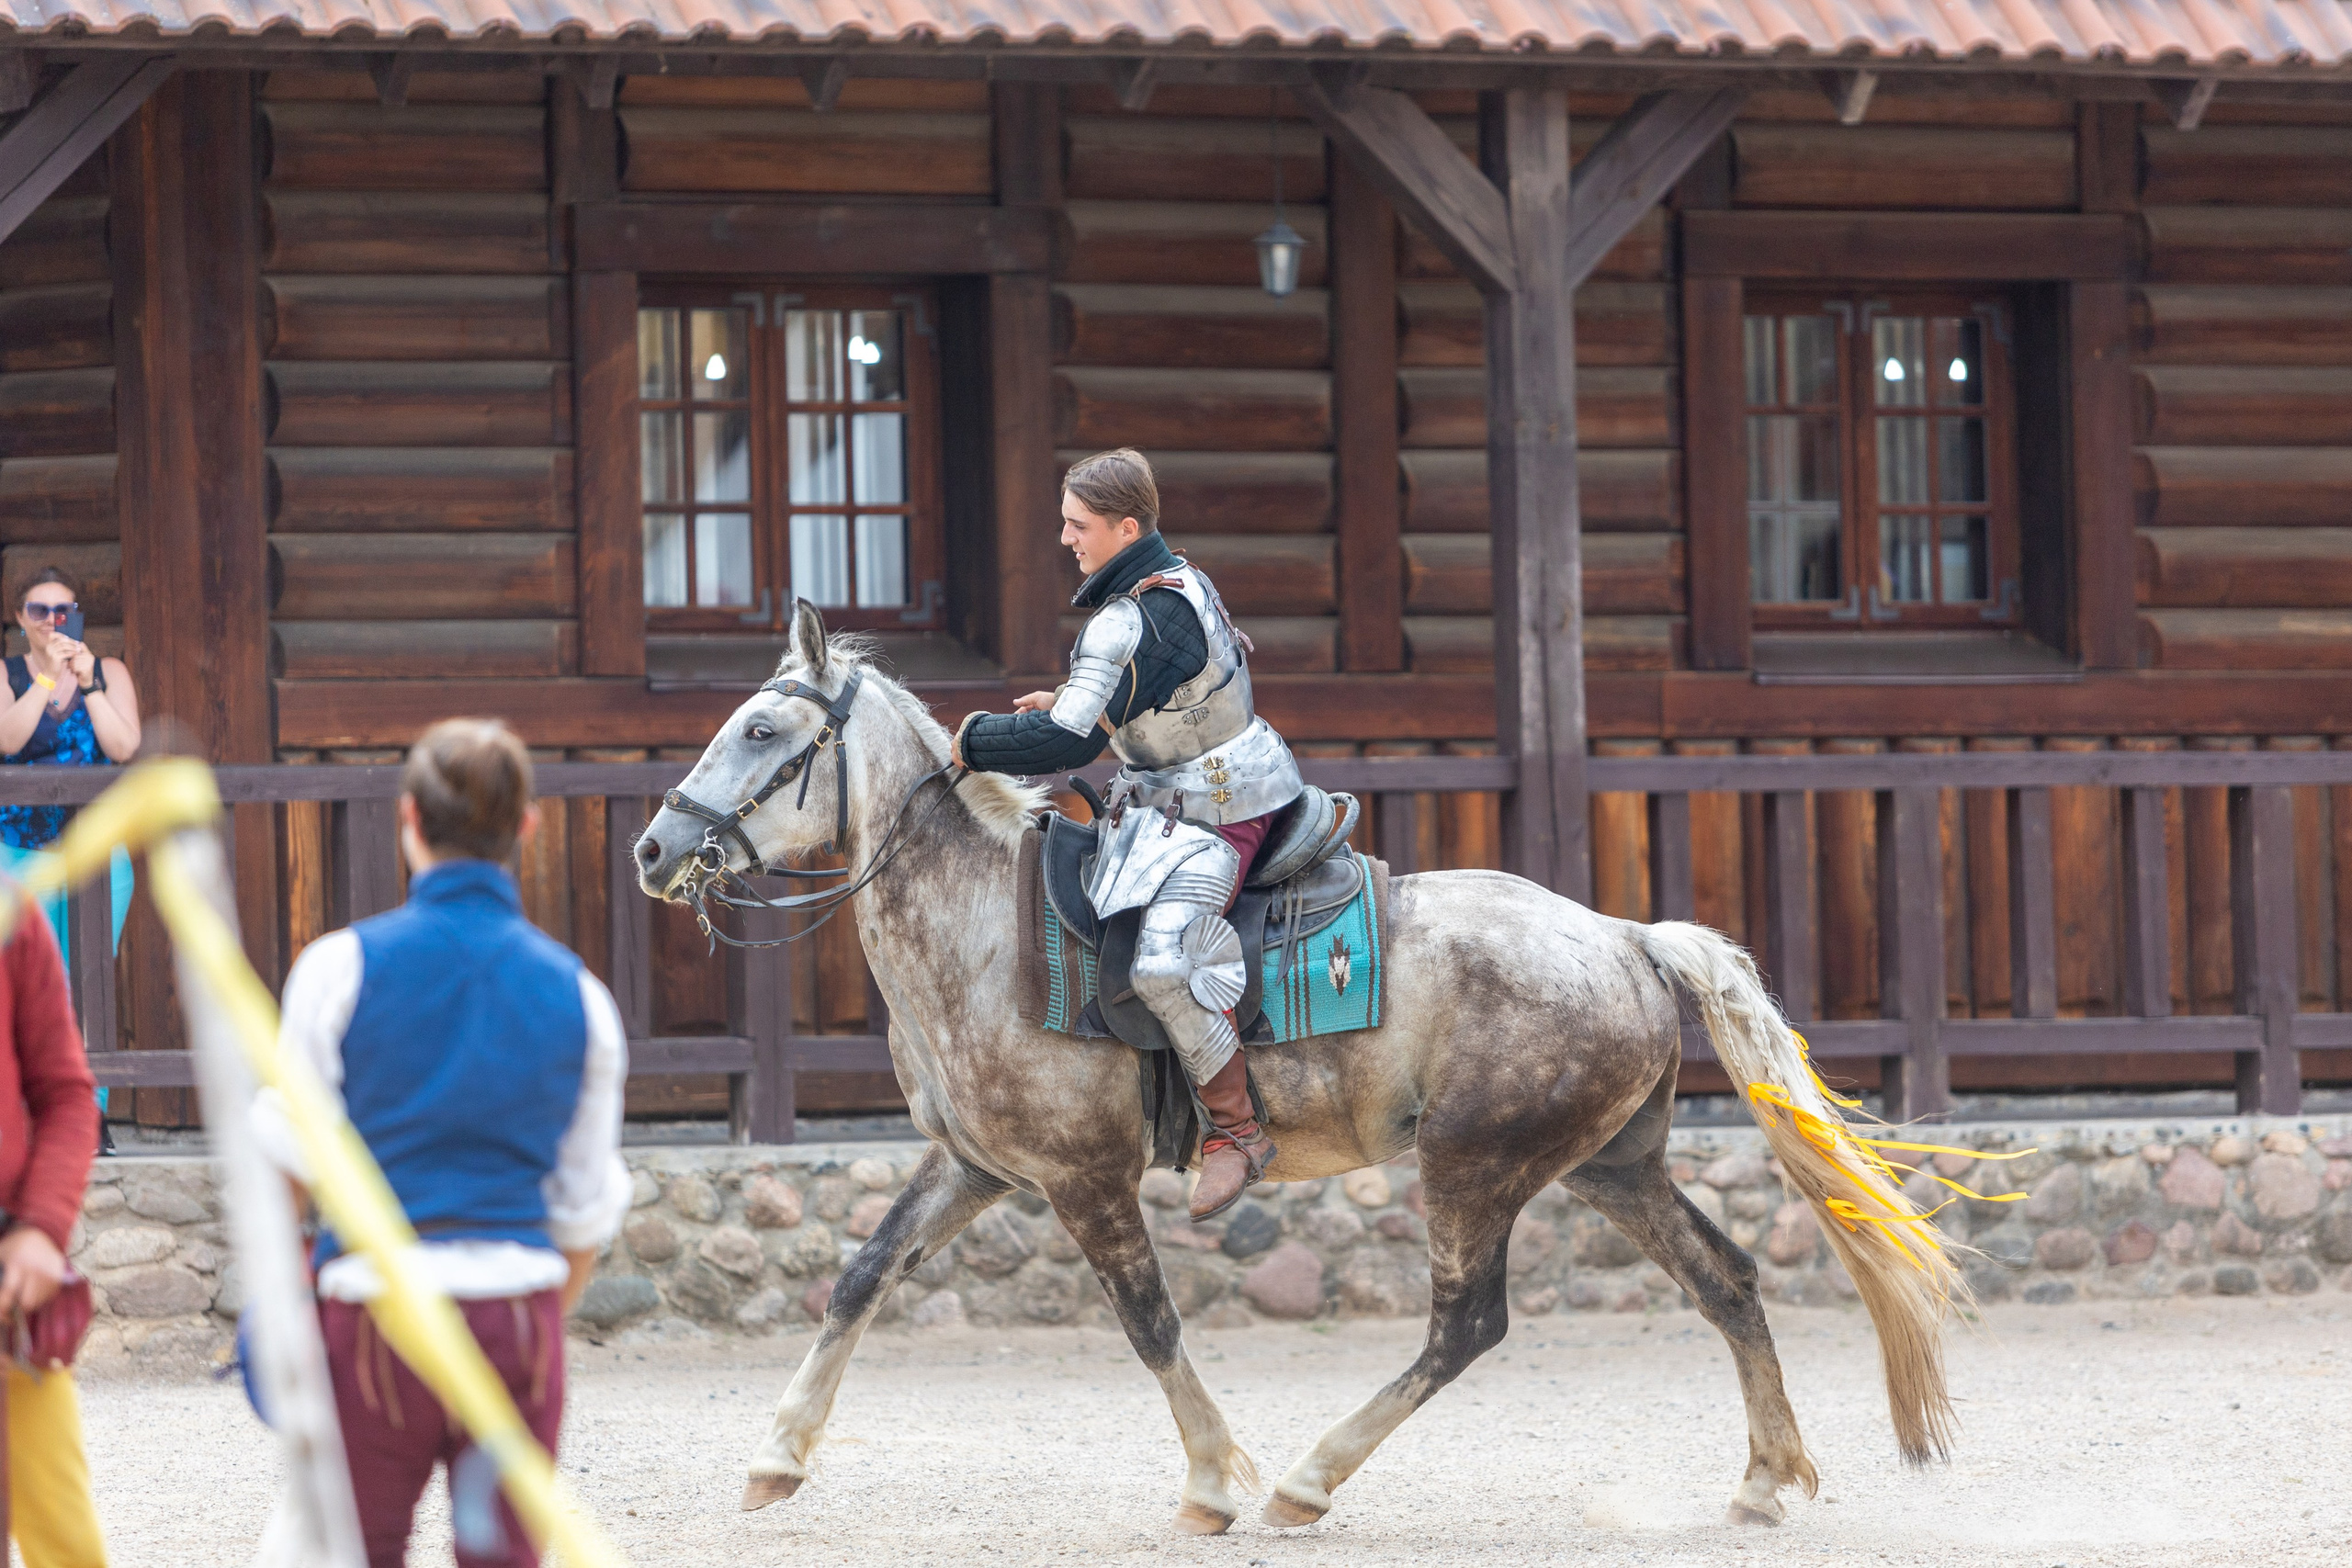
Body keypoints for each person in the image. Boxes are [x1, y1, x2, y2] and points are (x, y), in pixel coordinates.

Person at [254, 718, 629, 1568]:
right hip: (516, 1316)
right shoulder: (582, 996)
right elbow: (582, 1211)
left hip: (375, 1309)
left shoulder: (336, 967)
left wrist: (294, 1311)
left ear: (408, 820)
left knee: (354, 1552)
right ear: (527, 828)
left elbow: (285, 1167)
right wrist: (513, 1314)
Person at [952, 448, 1302, 1221]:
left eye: (1078, 525)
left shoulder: (1128, 618)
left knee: (1164, 965)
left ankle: (1236, 1133)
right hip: (1193, 786)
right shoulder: (1180, 579)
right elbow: (1166, 694)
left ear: (1125, 526)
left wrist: (972, 742)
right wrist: (1098, 711)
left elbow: (1065, 746)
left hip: (1221, 808)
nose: (1066, 538)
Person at [0, 568, 141, 1151]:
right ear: (19, 619)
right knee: (23, 985)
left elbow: (124, 747)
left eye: (64, 611)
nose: (53, 622)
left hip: (96, 854)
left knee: (85, 983)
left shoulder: (109, 672)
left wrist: (87, 686)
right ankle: (23, 1117)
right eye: (40, 611)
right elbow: (7, 741)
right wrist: (44, 679)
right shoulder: (7, 674)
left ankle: (88, 1116)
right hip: (17, 853)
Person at [0, 883, 109, 1566]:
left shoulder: (10, 915)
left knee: (67, 1547)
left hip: (9, 1294)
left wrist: (40, 1227)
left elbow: (68, 1095)